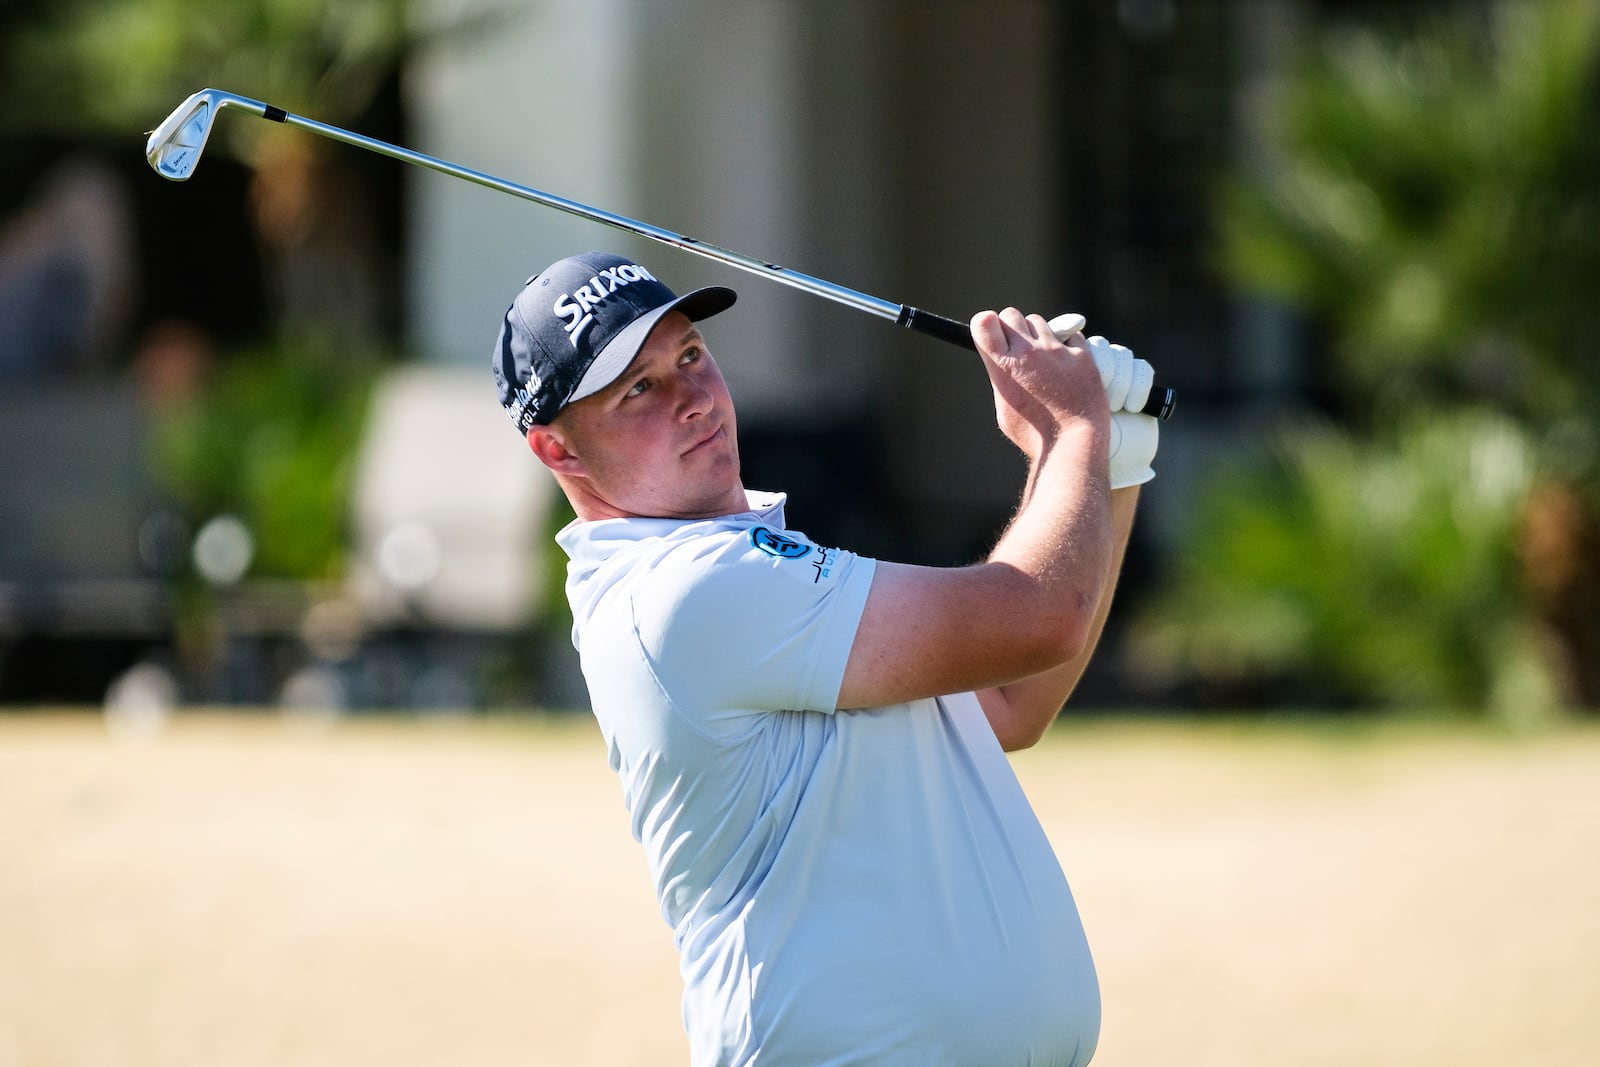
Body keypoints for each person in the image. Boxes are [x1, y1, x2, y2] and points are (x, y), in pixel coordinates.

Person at [492, 250, 1158, 1067]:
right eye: (639, 389)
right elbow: (1041, 616)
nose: (694, 399)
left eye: (691, 356)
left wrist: (1114, 460)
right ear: (557, 452)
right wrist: (1075, 428)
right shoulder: (683, 594)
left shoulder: (745, 568)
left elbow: (1010, 701)